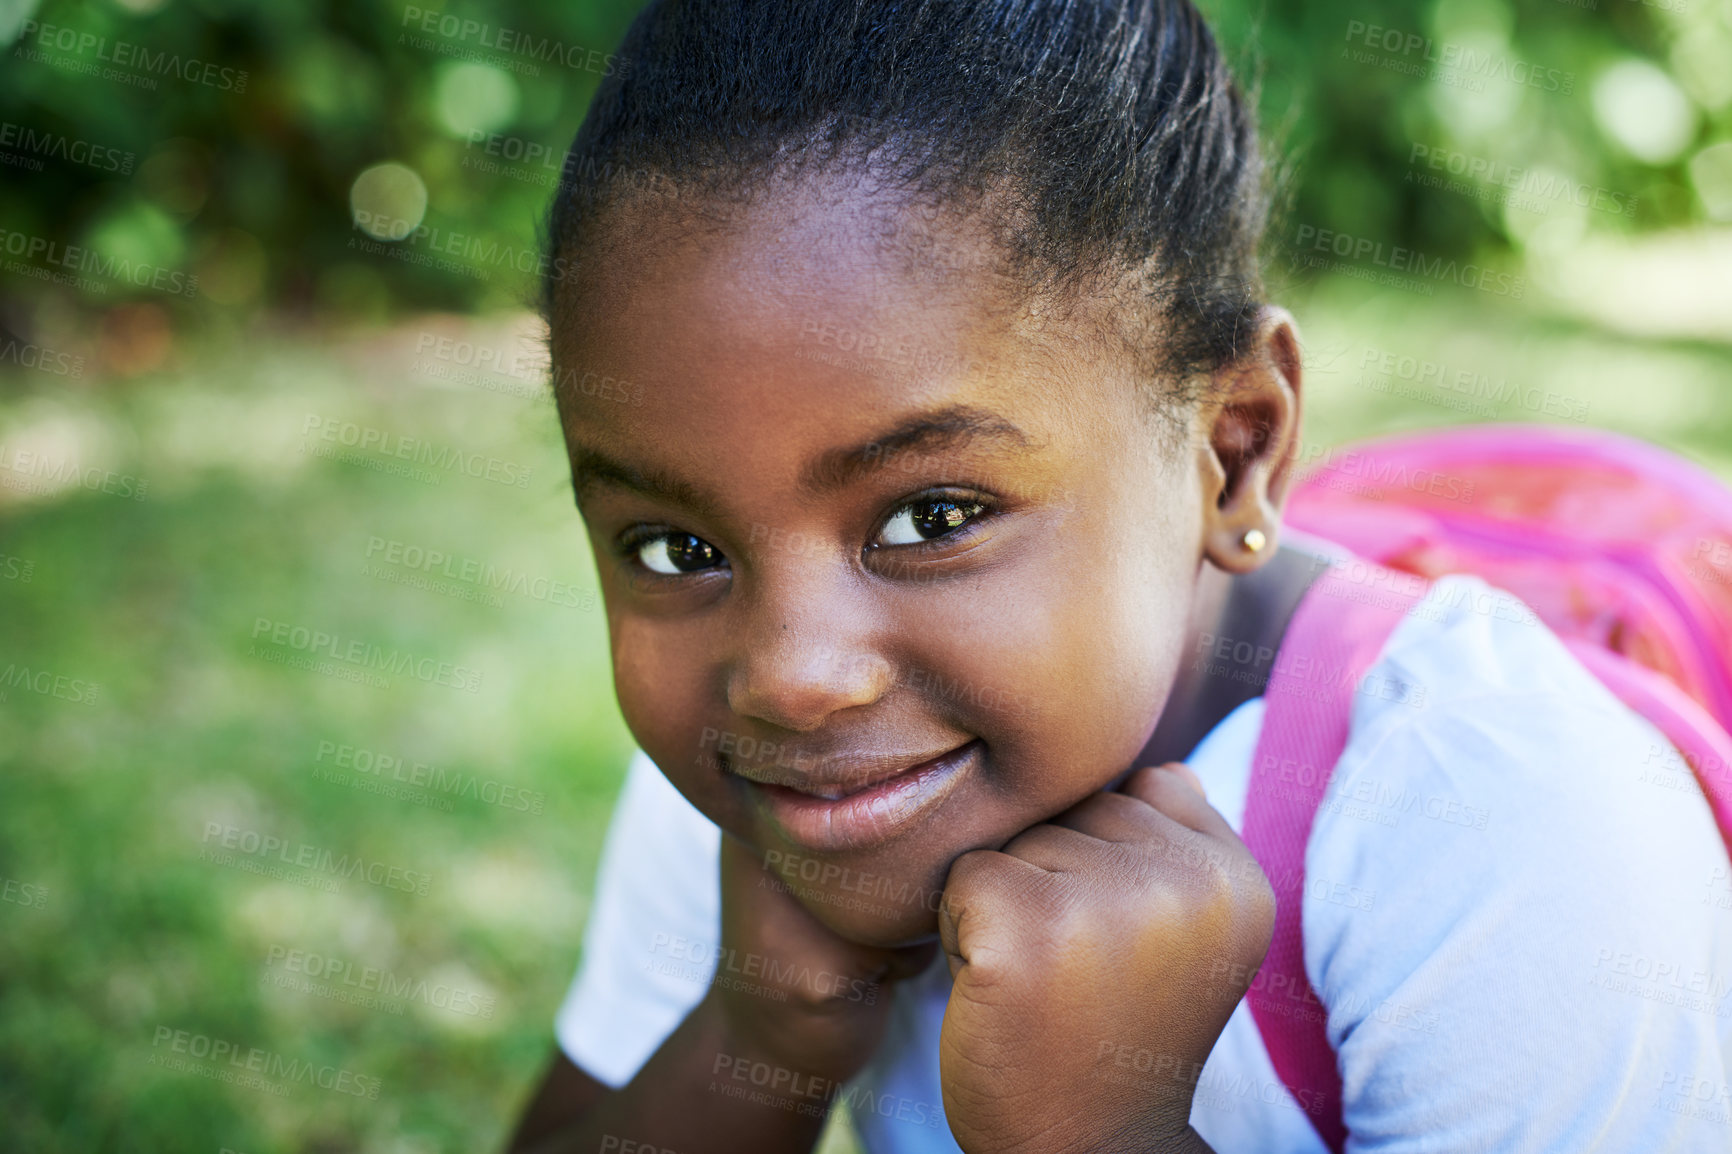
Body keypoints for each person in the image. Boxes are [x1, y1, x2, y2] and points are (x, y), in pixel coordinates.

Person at [507, 1, 1732, 1150]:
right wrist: (751, 1034)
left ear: (1235, 447)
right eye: (679, 549)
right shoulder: (782, 784)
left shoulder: (1504, 833)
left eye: (934, 515)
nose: (791, 674)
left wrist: (1106, 1130)